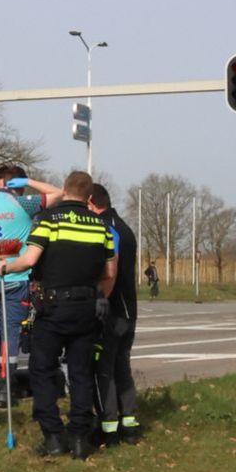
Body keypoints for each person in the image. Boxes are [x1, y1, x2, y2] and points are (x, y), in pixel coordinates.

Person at [0, 170, 116, 459]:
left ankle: (52, 437)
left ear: (64, 190)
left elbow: (30, 260)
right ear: (89, 197)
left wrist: (5, 266)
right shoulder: (101, 227)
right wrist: (98, 297)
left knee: (42, 371)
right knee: (80, 374)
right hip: (87, 309)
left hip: (51, 309)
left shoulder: (48, 221)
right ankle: (78, 439)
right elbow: (109, 274)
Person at [0, 164, 63, 409]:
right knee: (10, 335)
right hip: (15, 279)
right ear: (16, 185)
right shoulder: (24, 204)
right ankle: (5, 388)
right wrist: (29, 182)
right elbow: (59, 194)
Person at [87, 184, 141, 446]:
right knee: (122, 368)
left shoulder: (105, 228)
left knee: (103, 370)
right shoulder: (124, 227)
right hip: (129, 310)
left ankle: (109, 428)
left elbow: (111, 271)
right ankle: (129, 424)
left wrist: (100, 301)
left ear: (91, 202)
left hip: (112, 312)